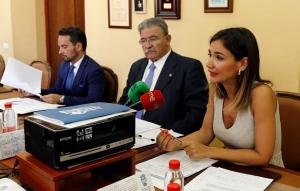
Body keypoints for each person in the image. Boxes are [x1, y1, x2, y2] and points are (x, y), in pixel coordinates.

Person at [157, 27, 284, 167]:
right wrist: (177, 143)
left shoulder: (262, 94)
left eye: (219, 57)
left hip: (268, 174)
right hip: (229, 168)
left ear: (242, 63)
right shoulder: (215, 88)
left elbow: (262, 156)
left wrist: (209, 151)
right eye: (210, 55)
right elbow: (206, 132)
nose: (209, 63)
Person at [119, 18, 208, 135]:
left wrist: (169, 135)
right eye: (143, 40)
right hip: (132, 132)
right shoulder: (137, 66)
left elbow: (197, 113)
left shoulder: (188, 67)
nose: (148, 45)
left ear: (168, 39)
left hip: (166, 136)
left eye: (153, 39)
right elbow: (125, 101)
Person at [40, 26, 106, 106]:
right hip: (63, 110)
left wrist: (62, 99)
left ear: (78, 46)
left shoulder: (94, 71)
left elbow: (93, 101)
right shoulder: (64, 65)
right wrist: (36, 91)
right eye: (59, 47)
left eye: (64, 47)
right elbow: (57, 89)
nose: (60, 52)